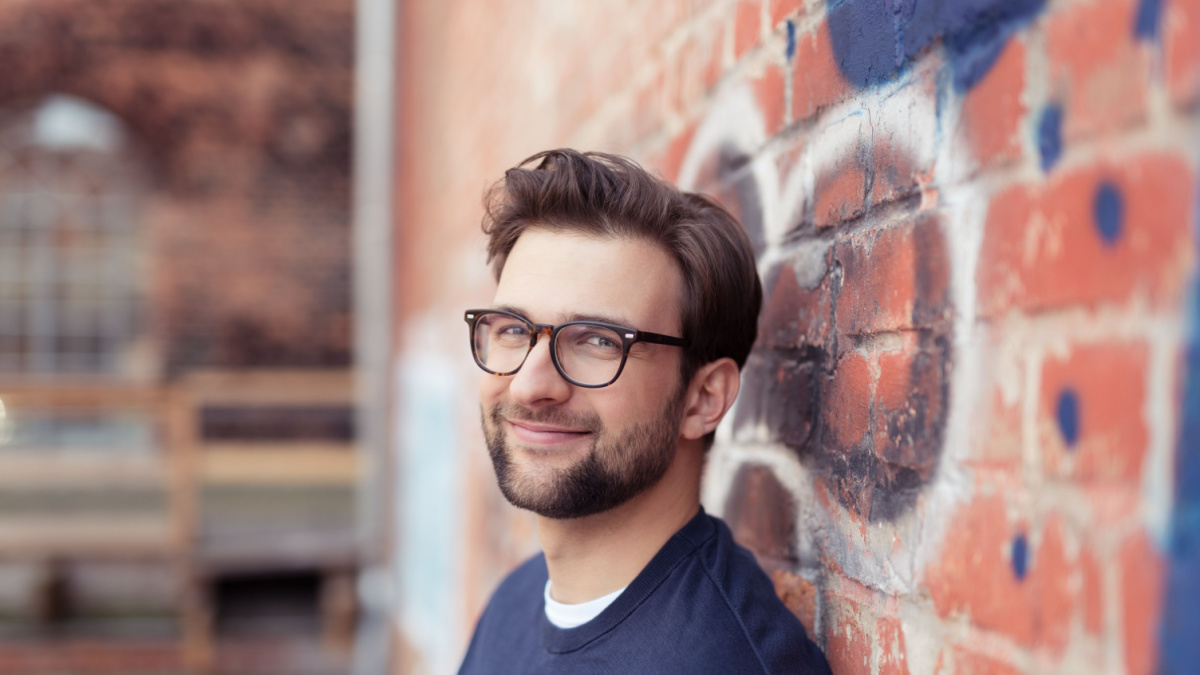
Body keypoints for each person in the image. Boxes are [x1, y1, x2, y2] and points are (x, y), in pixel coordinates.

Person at [458, 149, 831, 674]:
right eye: (513, 331)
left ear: (703, 398)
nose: (529, 385)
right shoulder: (513, 606)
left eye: (597, 341)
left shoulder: (721, 662)